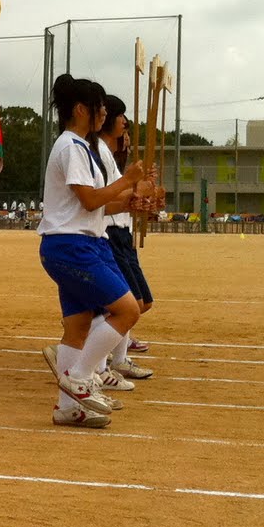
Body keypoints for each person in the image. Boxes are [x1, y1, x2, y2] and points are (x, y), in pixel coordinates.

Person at [36, 74, 146, 429]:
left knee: (79, 325)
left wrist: (132, 200)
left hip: (82, 242)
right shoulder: (70, 146)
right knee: (127, 310)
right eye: (99, 107)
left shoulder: (81, 147)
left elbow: (97, 206)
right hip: (72, 245)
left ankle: (69, 407)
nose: (103, 114)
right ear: (81, 109)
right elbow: (88, 199)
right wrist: (127, 181)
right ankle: (80, 377)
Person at [96, 94, 154, 383]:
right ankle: (100, 359)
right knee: (126, 303)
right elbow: (103, 196)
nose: (126, 127)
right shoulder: (96, 152)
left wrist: (141, 193)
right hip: (108, 232)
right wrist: (135, 189)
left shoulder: (108, 156)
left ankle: (109, 357)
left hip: (120, 231)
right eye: (122, 119)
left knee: (136, 302)